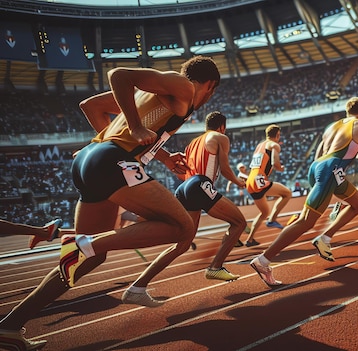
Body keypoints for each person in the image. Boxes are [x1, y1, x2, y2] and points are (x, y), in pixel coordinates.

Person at [0, 56, 220, 350]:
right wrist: (132, 127)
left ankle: (9, 326)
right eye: (212, 92)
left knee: (89, 259)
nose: (208, 98)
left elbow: (90, 106)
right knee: (181, 228)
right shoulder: (183, 86)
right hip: (111, 160)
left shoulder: (153, 95)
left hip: (91, 160)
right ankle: (82, 244)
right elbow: (118, 75)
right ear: (210, 85)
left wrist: (164, 157)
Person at [249, 97, 358, 287]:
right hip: (332, 169)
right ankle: (263, 261)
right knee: (306, 221)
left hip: (320, 167)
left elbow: (323, 153)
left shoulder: (333, 127)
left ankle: (325, 237)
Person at [174, 111, 247, 281]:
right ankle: (215, 267)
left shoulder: (192, 143)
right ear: (222, 127)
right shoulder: (221, 137)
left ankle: (140, 283)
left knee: (185, 240)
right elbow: (226, 169)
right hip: (200, 186)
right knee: (239, 223)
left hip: (186, 187)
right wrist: (238, 182)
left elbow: (184, 171)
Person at [244, 124, 292, 247]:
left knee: (264, 212)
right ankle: (272, 220)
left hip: (250, 181)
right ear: (277, 135)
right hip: (258, 179)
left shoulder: (260, 146)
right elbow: (274, 162)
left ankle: (250, 239)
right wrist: (279, 167)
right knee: (287, 193)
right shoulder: (274, 145)